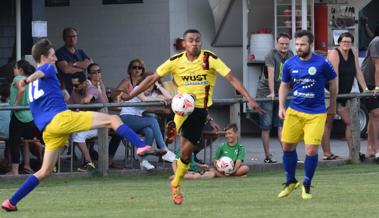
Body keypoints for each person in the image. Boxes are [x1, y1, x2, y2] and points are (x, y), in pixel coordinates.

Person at [1, 39, 158, 212]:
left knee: (44, 171)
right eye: (53, 56)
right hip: (61, 119)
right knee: (112, 120)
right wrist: (27, 79)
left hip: (48, 130)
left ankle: (11, 201)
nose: (55, 59)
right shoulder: (46, 69)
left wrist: (27, 83)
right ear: (44, 57)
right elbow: (41, 72)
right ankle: (141, 146)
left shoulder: (32, 89)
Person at [125, 29, 263, 204]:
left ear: (201, 42)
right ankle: (172, 128)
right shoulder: (175, 61)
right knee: (181, 107)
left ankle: (176, 184)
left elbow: (231, 78)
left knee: (185, 153)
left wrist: (249, 98)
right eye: (190, 40)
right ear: (184, 43)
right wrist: (131, 95)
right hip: (181, 105)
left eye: (198, 40)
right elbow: (152, 78)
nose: (194, 43)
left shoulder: (209, 58)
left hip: (199, 110)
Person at [277, 30, 337, 200]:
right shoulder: (289, 63)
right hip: (294, 111)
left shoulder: (322, 63)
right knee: (287, 146)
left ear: (310, 44)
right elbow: (283, 85)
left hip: (316, 113)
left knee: (310, 150)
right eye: (296, 44)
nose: (299, 47)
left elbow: (333, 82)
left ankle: (307, 184)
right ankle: (290, 182)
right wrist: (281, 106)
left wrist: (332, 104)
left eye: (302, 44)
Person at [117, 63, 176, 170]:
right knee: (152, 120)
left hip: (136, 119)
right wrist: (159, 99)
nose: (149, 87)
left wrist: (158, 85)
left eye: (151, 84)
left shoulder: (153, 93)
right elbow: (144, 99)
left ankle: (143, 160)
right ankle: (164, 149)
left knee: (150, 131)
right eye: (147, 84)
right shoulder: (138, 88)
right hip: (126, 118)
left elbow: (169, 98)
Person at [321, 32, 369, 160]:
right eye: (343, 42)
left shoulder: (353, 52)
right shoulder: (334, 54)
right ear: (339, 42)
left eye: (348, 42)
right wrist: (333, 100)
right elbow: (334, 77)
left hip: (344, 93)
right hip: (330, 92)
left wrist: (365, 89)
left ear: (351, 43)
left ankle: (354, 154)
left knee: (350, 122)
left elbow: (358, 72)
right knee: (328, 122)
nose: (346, 44)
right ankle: (327, 154)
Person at [256, 32, 294, 163]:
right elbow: (271, 75)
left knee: (282, 123)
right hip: (266, 91)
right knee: (266, 125)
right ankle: (268, 156)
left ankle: (287, 155)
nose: (284, 46)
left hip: (283, 91)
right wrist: (272, 92)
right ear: (276, 44)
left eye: (286, 44)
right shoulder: (270, 55)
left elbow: (293, 73)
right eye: (281, 44)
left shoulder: (291, 54)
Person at [67, 72, 103, 172]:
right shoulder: (75, 91)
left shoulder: (91, 88)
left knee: (77, 135)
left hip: (101, 124)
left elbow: (87, 100)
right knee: (63, 132)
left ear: (84, 83)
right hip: (86, 123)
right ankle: (53, 163)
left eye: (76, 85)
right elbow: (68, 106)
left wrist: (78, 106)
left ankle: (89, 162)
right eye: (72, 85)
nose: (74, 87)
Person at [7, 60, 36, 175]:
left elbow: (21, 88)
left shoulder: (17, 79)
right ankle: (27, 166)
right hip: (30, 117)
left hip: (18, 116)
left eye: (15, 67)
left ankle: (14, 170)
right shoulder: (30, 80)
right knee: (27, 141)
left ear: (20, 70)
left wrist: (16, 104)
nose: (13, 70)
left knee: (14, 143)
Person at [56, 27, 93, 94]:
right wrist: (82, 68)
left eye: (74, 36)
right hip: (68, 88)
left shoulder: (80, 52)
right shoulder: (60, 52)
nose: (72, 39)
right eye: (69, 37)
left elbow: (90, 64)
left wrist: (74, 64)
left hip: (82, 87)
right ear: (64, 38)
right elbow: (66, 69)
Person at [361, 33, 379, 161]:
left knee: (375, 116)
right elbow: (378, 67)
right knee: (376, 113)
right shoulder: (376, 42)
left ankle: (371, 148)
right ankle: (375, 148)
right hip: (369, 82)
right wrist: (377, 88)